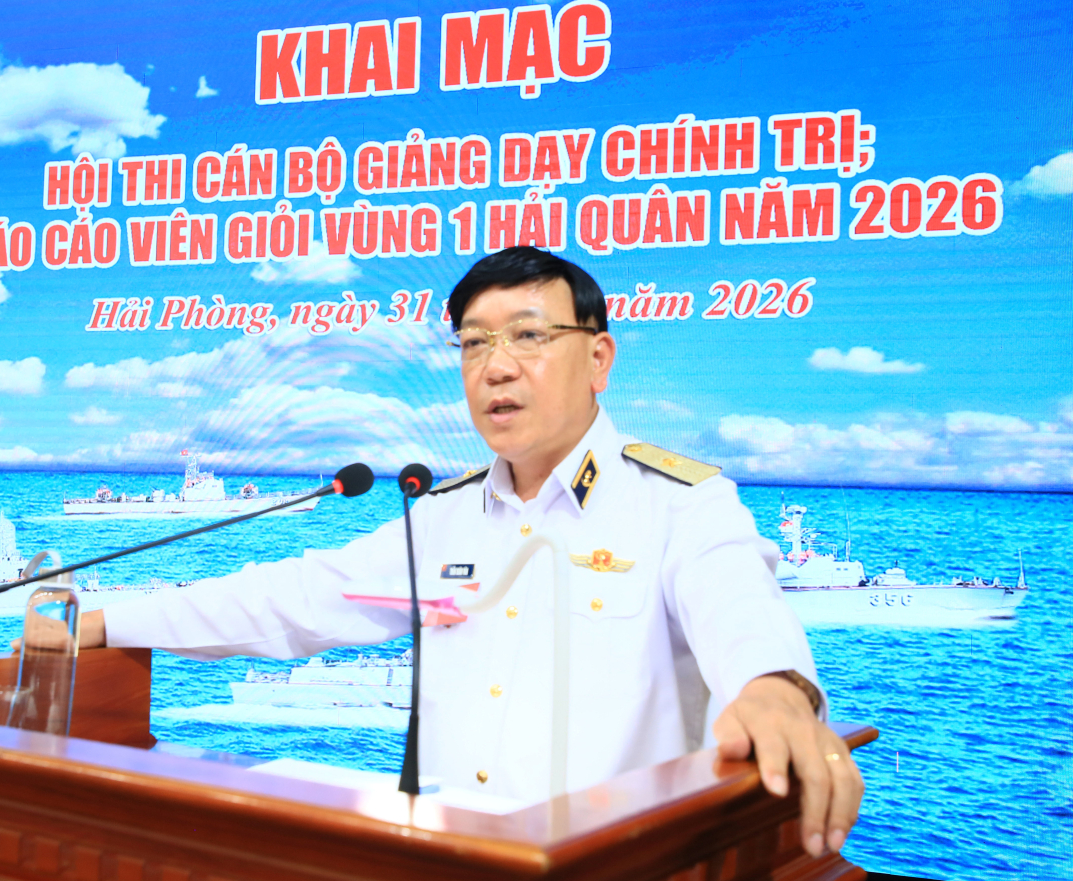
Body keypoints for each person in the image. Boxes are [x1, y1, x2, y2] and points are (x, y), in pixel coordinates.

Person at [71, 247, 863, 855]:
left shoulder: (679, 502)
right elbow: (298, 598)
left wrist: (776, 688)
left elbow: (740, 608)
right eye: (474, 343)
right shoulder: (444, 515)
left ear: (599, 359)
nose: (496, 365)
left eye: (529, 335)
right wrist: (106, 622)